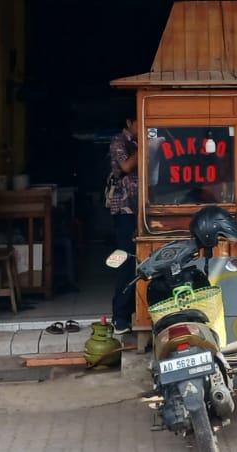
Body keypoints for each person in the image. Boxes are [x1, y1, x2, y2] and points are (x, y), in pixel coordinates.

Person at [107, 115, 140, 332]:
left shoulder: (139, 142)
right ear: (129, 121)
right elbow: (127, 166)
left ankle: (137, 312)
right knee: (126, 261)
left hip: (142, 210)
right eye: (140, 122)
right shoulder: (119, 141)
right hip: (125, 209)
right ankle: (120, 316)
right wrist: (146, 144)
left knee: (143, 262)